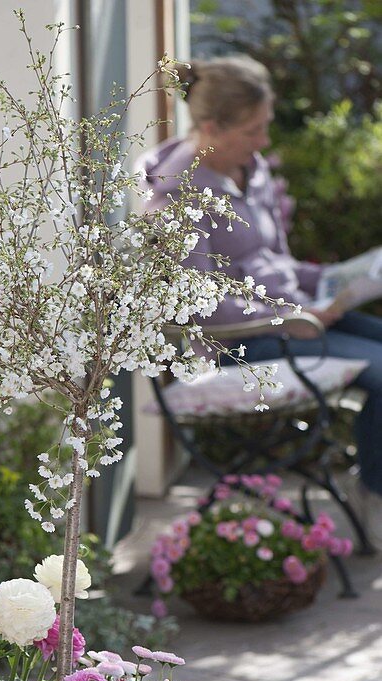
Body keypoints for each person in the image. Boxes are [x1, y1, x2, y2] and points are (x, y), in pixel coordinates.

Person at [139, 55, 382, 546]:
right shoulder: (179, 195)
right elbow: (202, 309)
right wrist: (292, 317)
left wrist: (335, 279)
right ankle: (375, 495)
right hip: (242, 343)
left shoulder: (248, 170)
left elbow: (274, 261)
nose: (264, 142)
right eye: (254, 130)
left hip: (293, 319)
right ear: (210, 127)